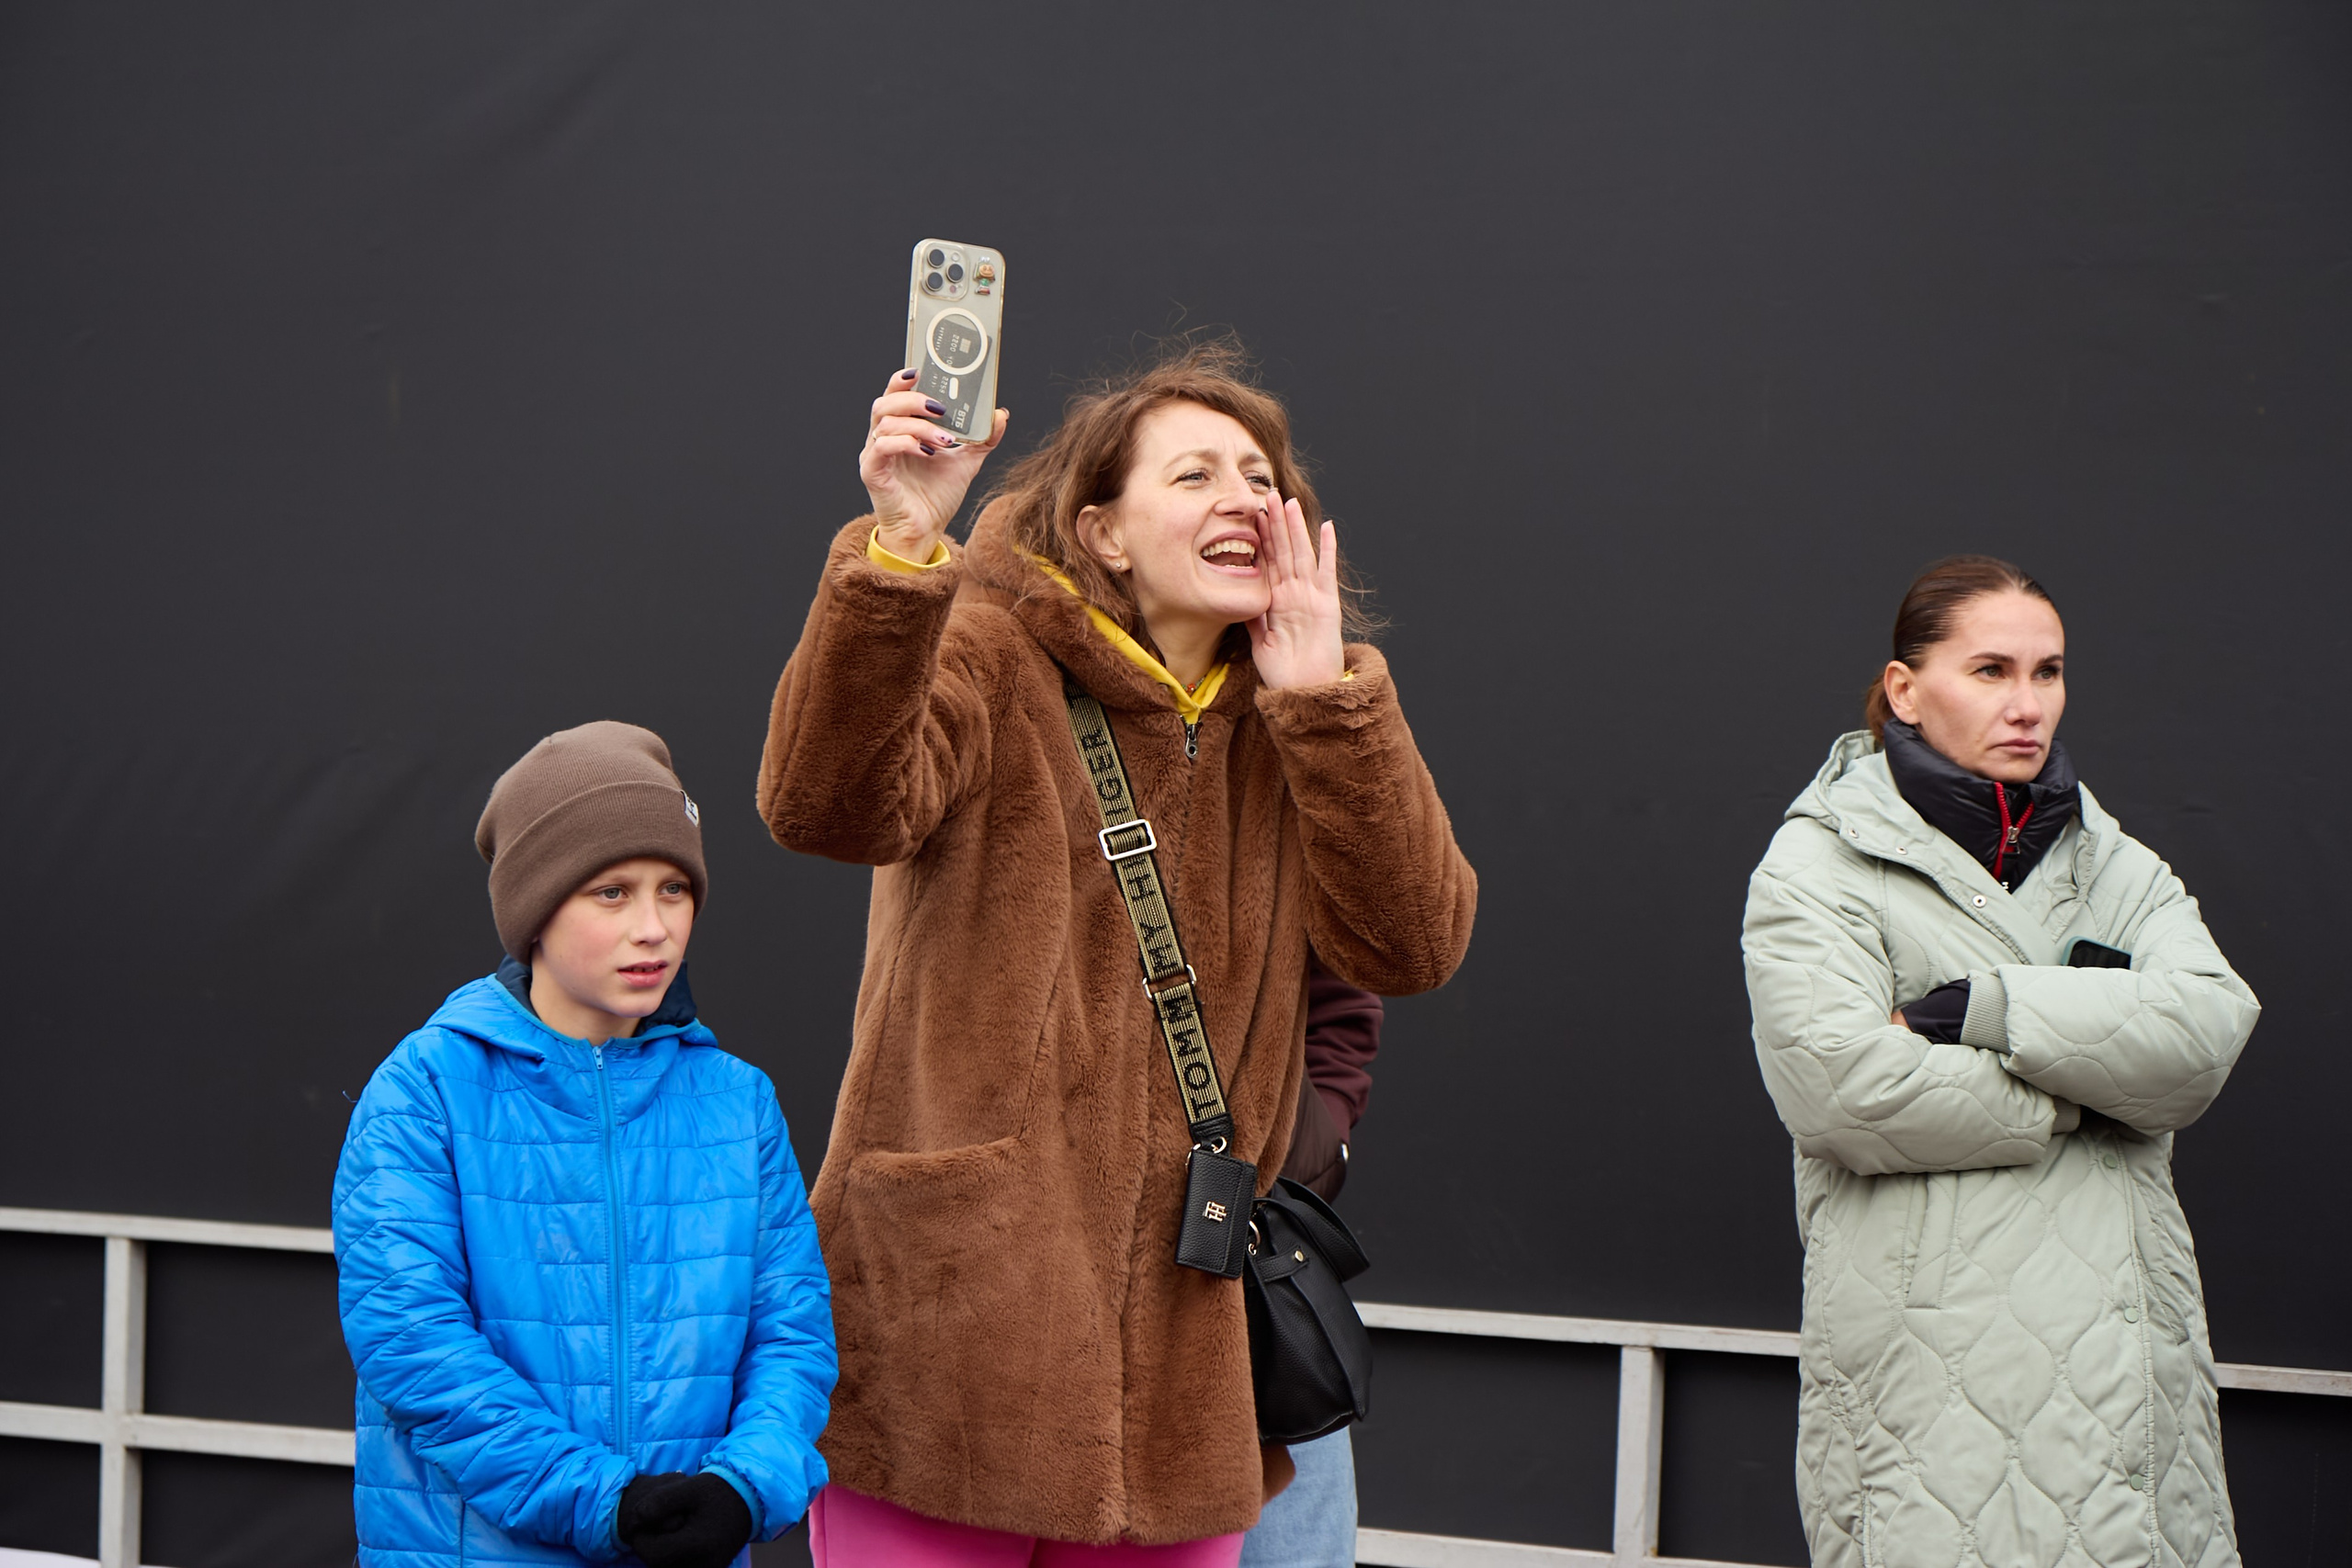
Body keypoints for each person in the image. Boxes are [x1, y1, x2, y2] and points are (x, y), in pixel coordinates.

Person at [757, 339, 1476, 1565]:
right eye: (1194, 476)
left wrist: (1326, 706)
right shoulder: (988, 654)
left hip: (1176, 1381)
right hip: (954, 1344)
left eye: (1261, 476)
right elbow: (823, 803)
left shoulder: (1301, 718)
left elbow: (1411, 944)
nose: (1246, 497)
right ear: (1102, 533)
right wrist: (902, 552)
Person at [1743, 558, 2259, 1568]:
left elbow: (2204, 1038)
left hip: (2133, 1393)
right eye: (1989, 671)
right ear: (1904, 689)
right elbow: (1840, 1089)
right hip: (1935, 1390)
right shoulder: (1818, 864)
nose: (2027, 705)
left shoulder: (2113, 859)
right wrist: (2086, 1092)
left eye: (2048, 672)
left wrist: (1988, 1006)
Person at [334, 722, 836, 1568]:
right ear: (535, 904)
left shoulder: (738, 1100)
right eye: (612, 892)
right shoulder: (426, 1088)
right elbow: (412, 1340)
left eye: (674, 889)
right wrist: (605, 1497)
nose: (655, 929)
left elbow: (793, 1332)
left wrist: (743, 1485)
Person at [1241, 958, 1383, 1568]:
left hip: (1257, 1262)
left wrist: (1313, 1147)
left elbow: (1343, 1007)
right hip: (1072, 1268)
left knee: (1295, 1551)